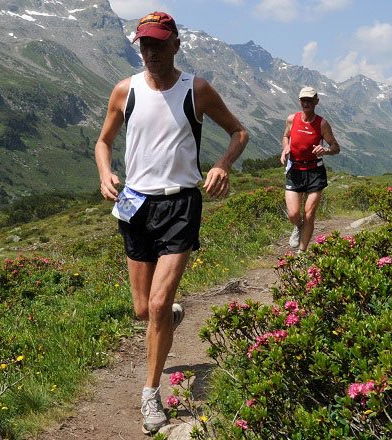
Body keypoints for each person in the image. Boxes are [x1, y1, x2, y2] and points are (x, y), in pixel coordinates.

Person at [94, 11, 248, 435]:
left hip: (180, 204)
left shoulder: (195, 90)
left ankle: (149, 394)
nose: (151, 52)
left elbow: (239, 132)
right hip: (135, 205)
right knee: (144, 309)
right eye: (145, 44)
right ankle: (166, 320)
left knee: (159, 304)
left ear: (176, 44)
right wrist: (105, 173)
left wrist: (222, 166)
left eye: (159, 44)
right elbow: (103, 141)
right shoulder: (125, 91)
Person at [280, 86, 340, 253]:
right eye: (303, 100)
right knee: (293, 213)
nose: (306, 103)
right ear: (299, 101)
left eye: (309, 100)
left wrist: (326, 150)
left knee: (309, 213)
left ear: (316, 102)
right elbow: (286, 136)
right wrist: (285, 148)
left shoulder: (322, 124)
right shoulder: (292, 119)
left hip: (315, 171)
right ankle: (298, 227)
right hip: (295, 169)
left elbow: (336, 147)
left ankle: (302, 252)